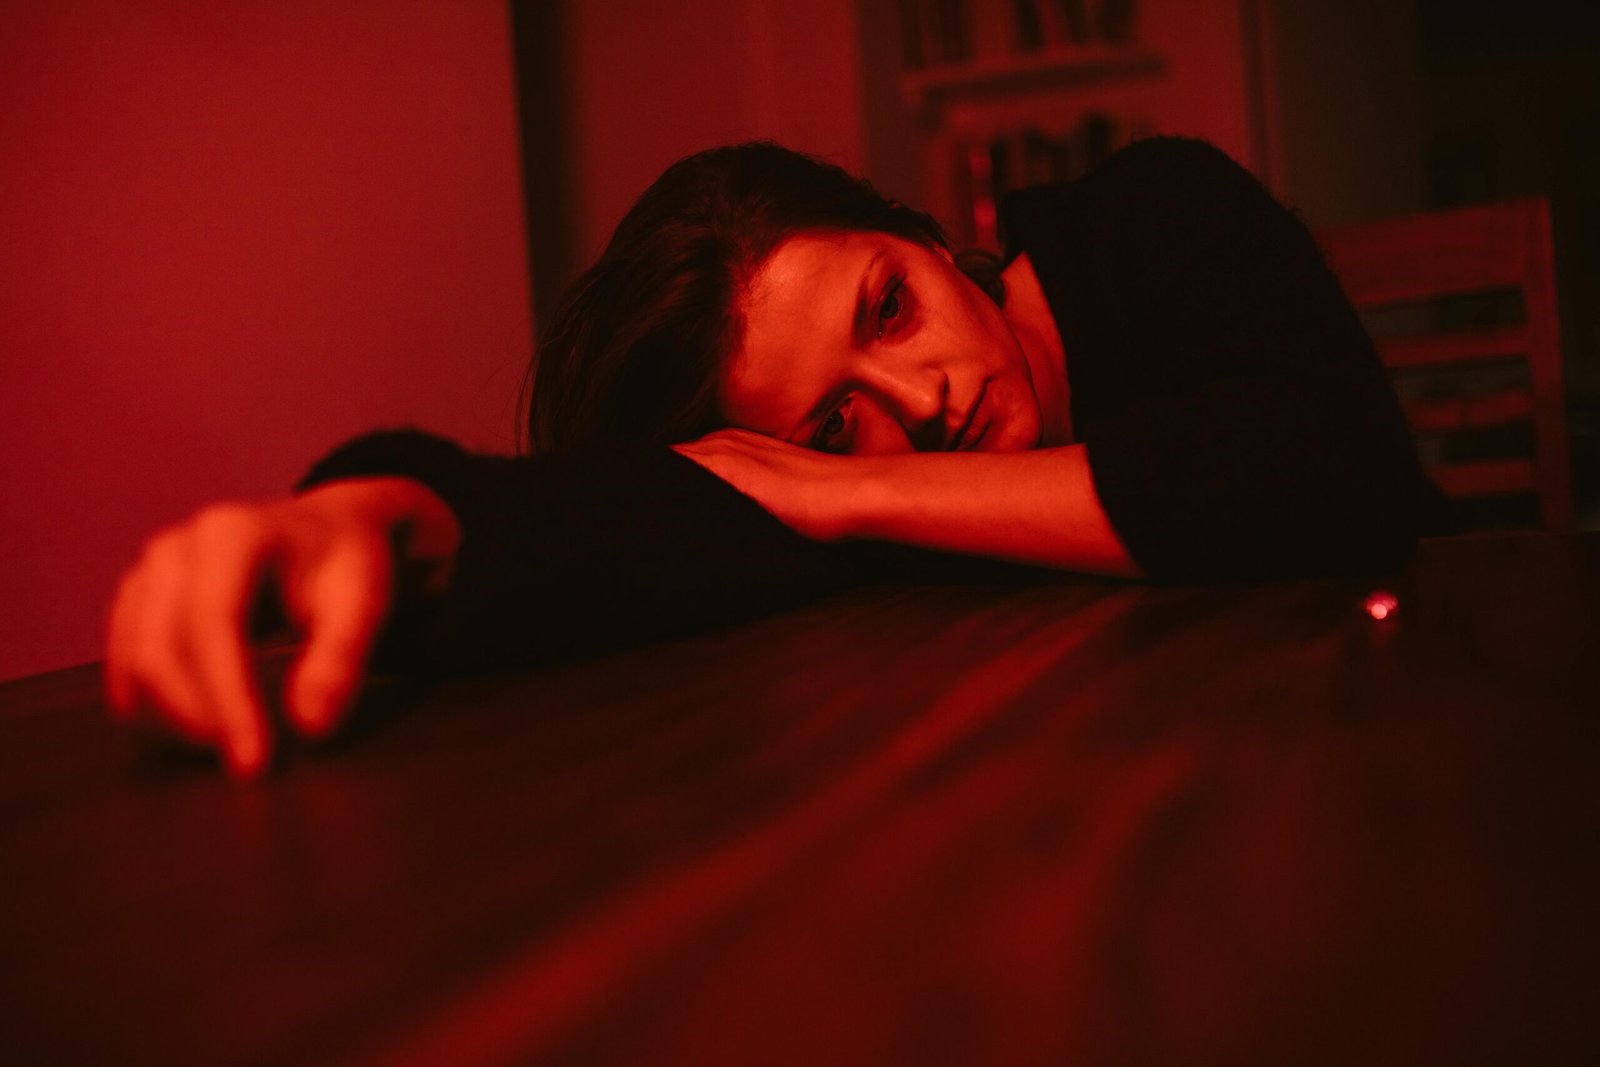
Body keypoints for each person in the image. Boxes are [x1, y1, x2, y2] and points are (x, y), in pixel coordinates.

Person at [104, 137, 1446, 778]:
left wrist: (845, 484)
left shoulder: (1151, 215)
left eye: (888, 307)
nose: (915, 402)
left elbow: (1326, 468)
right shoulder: (793, 483)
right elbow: (622, 516)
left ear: (922, 232)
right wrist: (378, 516)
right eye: (829, 421)